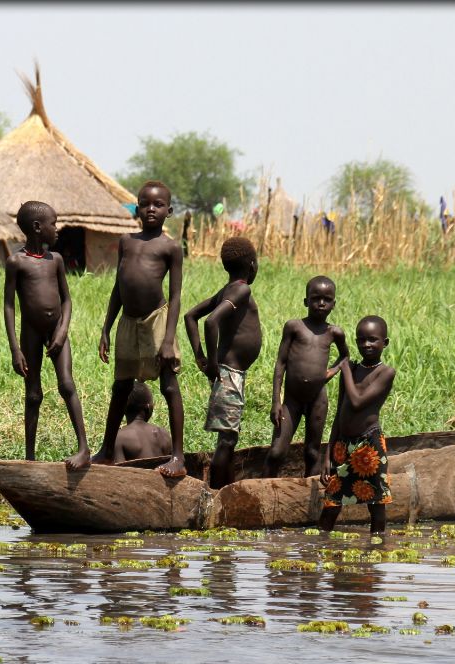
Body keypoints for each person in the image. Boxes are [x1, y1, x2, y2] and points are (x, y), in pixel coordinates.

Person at [92, 181, 187, 477]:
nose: (150, 209)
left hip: (157, 320)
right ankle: (107, 450)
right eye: (145, 204)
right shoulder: (126, 242)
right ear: (136, 208)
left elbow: (174, 296)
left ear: (168, 211)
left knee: (169, 386)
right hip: (128, 323)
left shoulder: (170, 247)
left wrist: (169, 340)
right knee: (121, 386)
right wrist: (107, 327)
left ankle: (178, 457)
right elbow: (118, 288)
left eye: (158, 205)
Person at [2, 201, 90, 469]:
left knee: (66, 385)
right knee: (33, 394)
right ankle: (30, 458)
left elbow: (67, 301)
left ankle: (84, 449)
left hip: (56, 330)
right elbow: (8, 305)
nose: (57, 229)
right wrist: (15, 349)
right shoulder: (16, 262)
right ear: (38, 228)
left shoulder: (57, 260)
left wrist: (62, 332)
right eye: (54, 223)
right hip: (30, 332)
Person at [183, 237, 262, 488]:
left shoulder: (226, 291)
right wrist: (212, 362)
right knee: (227, 442)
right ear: (252, 265)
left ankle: (227, 492)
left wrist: (200, 357)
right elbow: (210, 321)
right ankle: (216, 496)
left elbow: (190, 316)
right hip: (229, 373)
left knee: (228, 439)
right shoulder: (241, 289)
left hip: (229, 373)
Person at [263, 275, 349, 478]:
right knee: (277, 452)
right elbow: (281, 363)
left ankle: (311, 497)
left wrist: (328, 374)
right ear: (306, 301)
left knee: (312, 452)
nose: (321, 303)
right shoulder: (294, 327)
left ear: (333, 304)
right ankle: (262, 490)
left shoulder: (334, 333)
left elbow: (345, 356)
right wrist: (276, 400)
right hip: (291, 400)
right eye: (315, 298)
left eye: (326, 299)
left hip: (317, 399)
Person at [318, 316, 396, 535]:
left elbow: (357, 401)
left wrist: (344, 370)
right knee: (332, 502)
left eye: (372, 340)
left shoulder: (386, 373)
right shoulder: (351, 369)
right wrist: (328, 454)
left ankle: (376, 552)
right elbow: (340, 412)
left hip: (369, 446)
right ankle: (318, 549)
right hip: (343, 445)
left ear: (385, 343)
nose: (366, 345)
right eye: (361, 340)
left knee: (376, 504)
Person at [112, 382, 171, 462]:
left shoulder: (119, 437)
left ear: (123, 409)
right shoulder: (164, 434)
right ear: (148, 407)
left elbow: (118, 471)